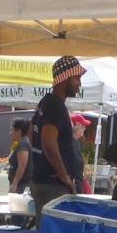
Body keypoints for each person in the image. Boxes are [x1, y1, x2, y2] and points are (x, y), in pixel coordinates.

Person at [29, 54, 86, 219]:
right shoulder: (56, 106)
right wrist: (63, 174)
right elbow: (48, 142)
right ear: (65, 78)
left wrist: (39, 162)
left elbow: (31, 133)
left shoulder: (46, 101)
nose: (79, 84)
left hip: (42, 180)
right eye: (76, 78)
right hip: (53, 185)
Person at [7, 118, 31, 194]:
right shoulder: (26, 142)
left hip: (21, 186)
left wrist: (14, 184)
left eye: (12, 130)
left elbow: (22, 166)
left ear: (19, 131)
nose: (11, 133)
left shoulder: (23, 144)